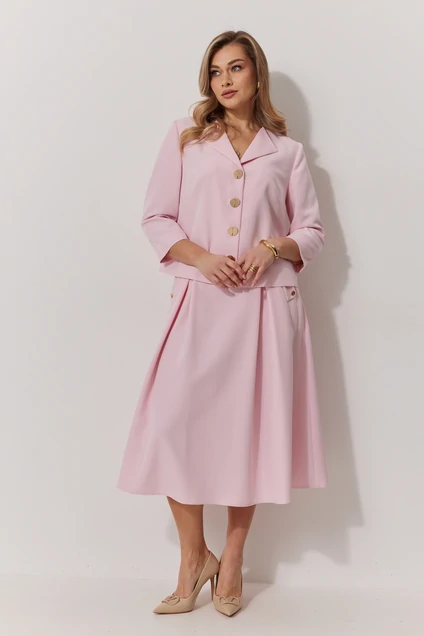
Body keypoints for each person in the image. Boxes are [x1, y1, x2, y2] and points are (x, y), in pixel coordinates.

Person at [117, 29, 328, 617]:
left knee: (247, 436)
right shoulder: (187, 139)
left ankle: (231, 559)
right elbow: (157, 217)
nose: (225, 80)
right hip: (199, 302)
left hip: (263, 310)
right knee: (169, 425)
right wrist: (203, 258)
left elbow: (312, 231)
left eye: (236, 68)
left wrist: (273, 245)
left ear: (257, 74)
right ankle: (195, 557)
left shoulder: (287, 152)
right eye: (215, 71)